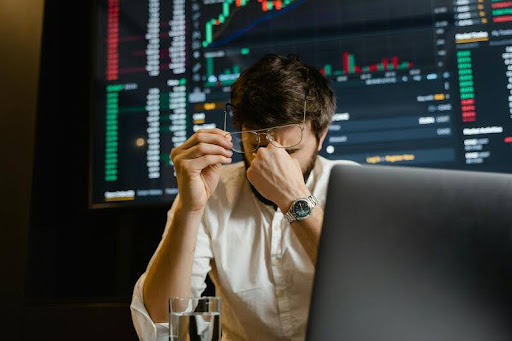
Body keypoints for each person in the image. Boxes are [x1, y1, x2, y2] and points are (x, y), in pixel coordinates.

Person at [131, 54, 357, 341]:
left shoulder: (352, 190)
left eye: (288, 154)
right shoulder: (211, 190)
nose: (270, 166)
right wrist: (190, 208)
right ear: (241, 133)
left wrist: (294, 199)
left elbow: (371, 297)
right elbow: (160, 326)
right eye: (255, 146)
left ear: (322, 136)